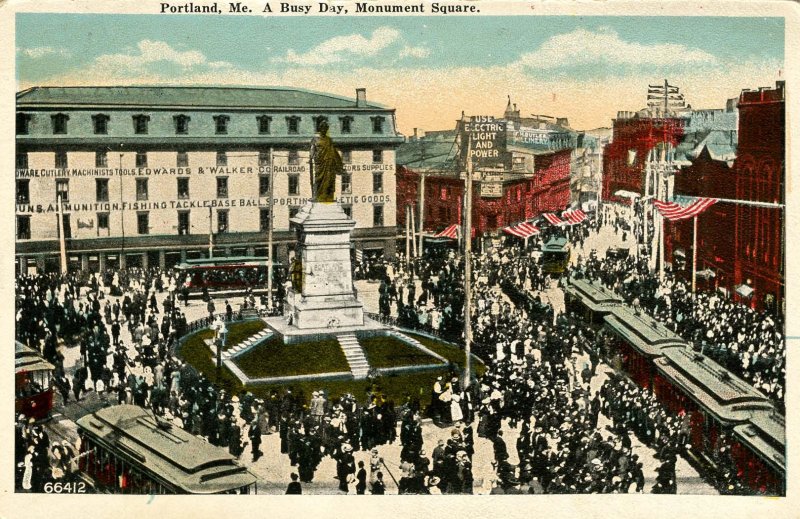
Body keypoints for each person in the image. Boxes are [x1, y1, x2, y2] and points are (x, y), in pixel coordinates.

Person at [311, 120, 343, 203]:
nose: (324, 130)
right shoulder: (315, 139)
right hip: (319, 162)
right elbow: (312, 151)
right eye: (322, 128)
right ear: (320, 129)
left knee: (328, 179)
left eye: (325, 129)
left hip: (328, 162)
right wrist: (312, 158)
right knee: (318, 179)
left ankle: (327, 196)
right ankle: (317, 196)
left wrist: (338, 163)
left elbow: (333, 151)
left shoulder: (329, 140)